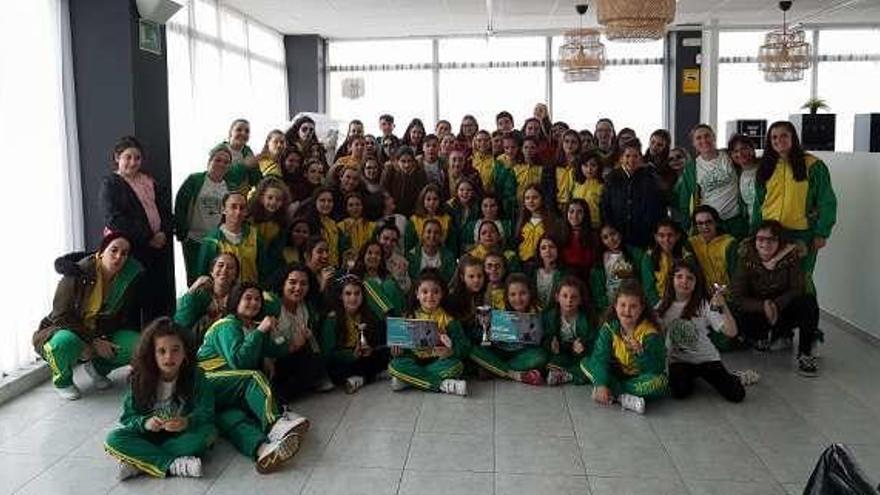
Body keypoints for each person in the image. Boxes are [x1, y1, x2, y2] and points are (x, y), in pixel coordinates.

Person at [196, 282, 310, 473]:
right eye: (247, 298)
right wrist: (259, 332)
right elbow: (239, 363)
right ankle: (276, 424)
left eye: (257, 299)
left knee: (233, 419)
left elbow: (273, 349)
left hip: (221, 394)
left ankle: (263, 450)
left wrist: (295, 344)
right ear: (236, 301)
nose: (254, 302)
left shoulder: (253, 326)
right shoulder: (227, 325)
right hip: (204, 383)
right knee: (253, 378)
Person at [34, 233, 143, 400]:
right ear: (101, 252)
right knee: (62, 343)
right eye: (113, 250)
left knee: (140, 345)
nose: (118, 257)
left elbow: (123, 317)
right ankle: (63, 382)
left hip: (101, 332)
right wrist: (91, 341)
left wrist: (102, 341)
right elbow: (61, 316)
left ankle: (97, 368)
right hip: (66, 329)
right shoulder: (77, 272)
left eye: (124, 253)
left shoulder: (127, 278)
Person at [105, 317, 215, 480]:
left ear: (185, 352)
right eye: (161, 351)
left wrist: (187, 421)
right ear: (152, 354)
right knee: (113, 439)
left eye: (176, 349)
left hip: (181, 435)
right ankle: (172, 464)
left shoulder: (196, 375)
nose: (169, 357)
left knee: (204, 436)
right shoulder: (138, 379)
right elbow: (128, 417)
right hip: (149, 435)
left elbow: (207, 410)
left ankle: (139, 463)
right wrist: (145, 423)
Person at [753, 120, 837, 291]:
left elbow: (827, 201)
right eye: (774, 137)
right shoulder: (765, 166)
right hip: (770, 235)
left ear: (793, 137)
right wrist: (754, 231)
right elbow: (759, 203)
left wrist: (822, 233)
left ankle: (806, 317)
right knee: (772, 281)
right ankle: (780, 318)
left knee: (801, 280)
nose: (778, 140)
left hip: (802, 233)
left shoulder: (813, 165)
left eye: (784, 135)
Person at [730, 220, 821, 376]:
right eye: (760, 239)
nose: (765, 244)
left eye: (771, 239)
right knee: (733, 310)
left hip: (782, 308)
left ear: (780, 241)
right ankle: (760, 338)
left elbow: (797, 288)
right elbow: (738, 296)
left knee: (808, 302)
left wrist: (776, 304)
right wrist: (763, 305)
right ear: (754, 240)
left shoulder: (791, 256)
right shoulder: (746, 258)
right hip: (758, 311)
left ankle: (805, 354)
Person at [101, 135, 173, 320]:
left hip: (158, 248)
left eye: (137, 158)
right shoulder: (111, 184)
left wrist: (164, 232)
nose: (133, 162)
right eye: (128, 157)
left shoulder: (149, 180)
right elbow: (114, 219)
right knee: (132, 300)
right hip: (132, 250)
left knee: (156, 298)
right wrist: (149, 237)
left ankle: (156, 342)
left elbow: (164, 209)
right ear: (118, 158)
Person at [657, 260, 746, 402]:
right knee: (679, 392)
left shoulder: (704, 304)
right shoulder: (662, 306)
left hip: (706, 359)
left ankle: (733, 376)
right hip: (679, 360)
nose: (684, 281)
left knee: (737, 395)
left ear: (696, 282)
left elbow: (732, 332)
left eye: (690, 278)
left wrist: (723, 306)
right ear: (671, 280)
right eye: (679, 276)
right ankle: (693, 377)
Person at [582, 280, 668, 414]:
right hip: (618, 373)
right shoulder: (609, 328)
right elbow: (600, 358)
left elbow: (657, 368)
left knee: (659, 382)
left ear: (642, 307)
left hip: (641, 378)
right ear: (615, 306)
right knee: (586, 363)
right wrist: (601, 384)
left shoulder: (650, 333)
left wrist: (640, 353)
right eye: (623, 305)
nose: (627, 311)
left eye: (633, 306)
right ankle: (621, 395)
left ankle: (617, 393)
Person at [388, 270, 469, 396]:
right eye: (425, 292)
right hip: (414, 361)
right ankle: (442, 385)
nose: (430, 296)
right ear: (417, 294)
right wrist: (397, 350)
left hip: (438, 362)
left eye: (435, 292)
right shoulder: (408, 316)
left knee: (457, 366)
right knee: (394, 365)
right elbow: (400, 349)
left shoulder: (449, 319)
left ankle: (409, 380)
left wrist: (452, 351)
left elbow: (464, 345)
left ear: (441, 294)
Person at [263, 265, 334, 399]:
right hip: (270, 362)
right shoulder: (271, 304)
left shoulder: (306, 306)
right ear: (283, 282)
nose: (298, 288)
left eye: (303, 284)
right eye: (292, 282)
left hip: (293, 358)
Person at [469, 273, 547, 386]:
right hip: (499, 352)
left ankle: (495, 370)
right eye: (513, 294)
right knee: (472, 350)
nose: (518, 299)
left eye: (523, 293)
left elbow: (541, 341)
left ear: (530, 293)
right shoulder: (500, 310)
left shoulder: (537, 312)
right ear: (507, 296)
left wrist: (537, 335)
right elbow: (486, 340)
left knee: (541, 356)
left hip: (521, 355)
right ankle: (515, 374)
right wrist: (489, 332)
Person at [320, 275, 390, 394]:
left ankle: (361, 378)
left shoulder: (368, 315)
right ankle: (368, 377)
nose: (353, 298)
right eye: (348, 294)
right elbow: (328, 354)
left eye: (357, 293)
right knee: (335, 368)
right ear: (341, 296)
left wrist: (370, 349)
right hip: (343, 361)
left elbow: (375, 341)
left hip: (362, 358)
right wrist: (351, 355)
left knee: (385, 352)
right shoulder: (332, 319)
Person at [674, 124, 747, 236]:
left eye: (707, 135)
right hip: (708, 225)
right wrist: (687, 225)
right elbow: (685, 199)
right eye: (698, 138)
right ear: (694, 144)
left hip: (735, 221)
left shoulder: (729, 156)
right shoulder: (691, 168)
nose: (704, 140)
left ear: (714, 137)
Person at [174, 146, 232, 285]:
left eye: (226, 162)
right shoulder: (195, 180)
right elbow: (180, 205)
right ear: (209, 161)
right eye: (218, 160)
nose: (222, 164)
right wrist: (183, 233)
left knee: (214, 279)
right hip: (193, 239)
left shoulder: (229, 187)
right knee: (195, 280)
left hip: (215, 242)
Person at [600, 138, 664, 249]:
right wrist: (611, 228)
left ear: (641, 158)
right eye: (627, 156)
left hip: (644, 236)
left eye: (635, 156)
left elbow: (657, 206)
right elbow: (605, 205)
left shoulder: (650, 177)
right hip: (618, 235)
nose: (631, 160)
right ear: (621, 158)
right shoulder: (612, 177)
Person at [197, 192, 266, 285]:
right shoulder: (211, 241)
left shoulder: (255, 236)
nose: (238, 212)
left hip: (249, 294)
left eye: (242, 208)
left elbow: (263, 270)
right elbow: (203, 275)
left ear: (246, 212)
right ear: (223, 210)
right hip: (224, 295)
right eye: (233, 207)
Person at [174, 252, 240, 347]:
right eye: (220, 265)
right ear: (212, 272)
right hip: (197, 347)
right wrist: (192, 289)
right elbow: (180, 324)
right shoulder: (199, 294)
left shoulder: (239, 297)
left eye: (230, 268)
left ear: (235, 275)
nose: (224, 270)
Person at [543, 276, 595, 386]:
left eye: (574, 297)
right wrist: (551, 344)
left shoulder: (586, 318)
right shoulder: (551, 316)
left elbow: (592, 340)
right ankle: (565, 373)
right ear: (557, 297)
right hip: (561, 354)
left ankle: (568, 375)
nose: (569, 300)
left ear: (580, 300)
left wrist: (583, 346)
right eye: (565, 296)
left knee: (591, 365)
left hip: (580, 357)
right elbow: (545, 337)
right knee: (547, 361)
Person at [589, 224, 643, 313]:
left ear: (619, 233)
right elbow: (598, 294)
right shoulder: (599, 262)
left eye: (613, 234)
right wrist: (609, 308)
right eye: (605, 237)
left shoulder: (635, 254)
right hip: (610, 307)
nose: (611, 239)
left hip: (633, 303)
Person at [248, 177, 291, 280]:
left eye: (278, 200)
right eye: (270, 198)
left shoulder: (281, 224)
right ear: (262, 198)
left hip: (268, 266)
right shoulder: (250, 219)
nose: (274, 202)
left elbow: (276, 252)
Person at [688, 205, 738, 293]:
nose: (705, 227)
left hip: (728, 294)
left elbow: (736, 276)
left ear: (716, 222)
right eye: (700, 223)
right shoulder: (692, 243)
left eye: (709, 222)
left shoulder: (729, 243)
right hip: (702, 296)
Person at [640, 219, 689, 306]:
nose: (666, 239)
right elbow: (649, 288)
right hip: (658, 304)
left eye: (670, 235)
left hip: (683, 302)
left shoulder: (686, 256)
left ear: (677, 236)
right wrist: (661, 305)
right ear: (656, 237)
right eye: (661, 236)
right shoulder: (649, 257)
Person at [406, 183, 456, 253]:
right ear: (423, 201)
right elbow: (409, 246)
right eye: (428, 199)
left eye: (435, 199)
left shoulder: (447, 219)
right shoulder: (414, 220)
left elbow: (452, 246)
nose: (432, 203)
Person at [515, 184, 559, 264]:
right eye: (527, 198)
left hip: (543, 263)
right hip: (523, 263)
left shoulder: (551, 221)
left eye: (535, 198)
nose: (531, 201)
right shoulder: (522, 221)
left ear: (542, 199)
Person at [381, 146, 428, 217]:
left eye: (409, 161)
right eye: (403, 161)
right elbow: (384, 192)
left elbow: (422, 195)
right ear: (397, 161)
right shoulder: (390, 172)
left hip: (414, 213)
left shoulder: (420, 174)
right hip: (393, 212)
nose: (407, 165)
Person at [407, 218, 456, 285]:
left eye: (436, 233)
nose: (432, 236)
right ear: (422, 234)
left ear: (441, 236)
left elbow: (451, 280)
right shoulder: (411, 255)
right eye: (428, 232)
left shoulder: (449, 256)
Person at [559, 199, 596, 285]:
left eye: (579, 212)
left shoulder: (593, 236)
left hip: (586, 277)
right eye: (571, 211)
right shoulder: (560, 233)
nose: (575, 216)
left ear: (585, 215)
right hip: (565, 276)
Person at [219, 119, 261, 194]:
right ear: (230, 133)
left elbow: (256, 181)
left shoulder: (248, 152)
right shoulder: (219, 150)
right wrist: (244, 165)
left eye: (247, 131)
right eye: (239, 130)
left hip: (242, 197)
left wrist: (255, 166)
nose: (243, 133)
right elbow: (220, 174)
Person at [727, 134, 760, 226]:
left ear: (752, 149)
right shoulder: (736, 174)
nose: (740, 154)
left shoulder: (765, 170)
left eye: (744, 148)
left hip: (767, 222)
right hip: (750, 224)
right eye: (735, 151)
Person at [337, 192, 375, 268]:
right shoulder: (340, 226)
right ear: (346, 208)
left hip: (367, 263)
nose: (355, 208)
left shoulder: (372, 226)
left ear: (362, 206)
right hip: (348, 264)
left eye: (358, 205)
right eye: (351, 205)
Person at [570, 150, 604, 229]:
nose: (589, 169)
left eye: (593, 165)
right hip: (577, 224)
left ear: (599, 166)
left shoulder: (603, 186)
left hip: (594, 225)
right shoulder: (576, 184)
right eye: (585, 165)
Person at [532, 235, 567, 309]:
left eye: (552, 247)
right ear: (539, 252)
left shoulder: (565, 273)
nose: (548, 251)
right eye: (543, 248)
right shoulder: (531, 272)